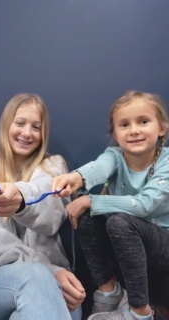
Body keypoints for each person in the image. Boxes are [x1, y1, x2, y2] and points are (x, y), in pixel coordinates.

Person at [0, 93, 86, 320]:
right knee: (35, 274)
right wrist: (51, 271)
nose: (27, 133)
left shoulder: (54, 168)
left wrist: (20, 199)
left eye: (36, 127)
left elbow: (49, 220)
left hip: (58, 284)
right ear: (6, 125)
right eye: (20, 123)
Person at [51, 90, 169, 320]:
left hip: (162, 244)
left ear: (162, 128)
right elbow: (99, 168)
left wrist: (91, 200)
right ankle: (109, 292)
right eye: (124, 125)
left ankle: (140, 312)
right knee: (88, 216)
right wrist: (76, 178)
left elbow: (144, 204)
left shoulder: (167, 161)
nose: (134, 130)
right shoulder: (114, 156)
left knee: (118, 219)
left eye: (143, 121)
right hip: (124, 241)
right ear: (115, 133)